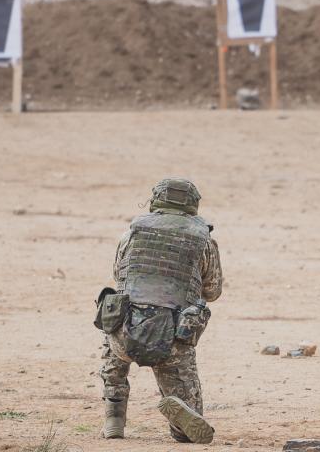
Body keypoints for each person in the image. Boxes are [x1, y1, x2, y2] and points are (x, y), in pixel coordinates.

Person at [97, 177, 223, 443]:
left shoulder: (132, 232)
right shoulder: (204, 240)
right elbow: (212, 291)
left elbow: (119, 275)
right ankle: (179, 422)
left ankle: (114, 418)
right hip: (172, 335)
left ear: (156, 200)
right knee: (186, 414)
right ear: (192, 206)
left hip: (125, 330)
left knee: (115, 328)